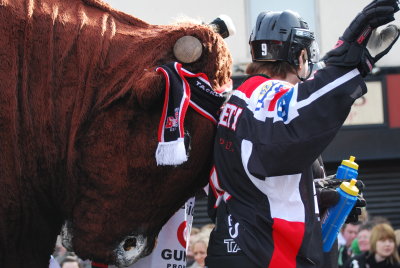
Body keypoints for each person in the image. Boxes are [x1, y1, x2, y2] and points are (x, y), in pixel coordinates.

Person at [205, 1, 400, 268]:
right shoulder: (266, 93)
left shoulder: (242, 97)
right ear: (299, 56)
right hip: (261, 251)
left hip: (242, 242)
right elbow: (305, 116)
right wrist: (353, 62)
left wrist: (318, 192)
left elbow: (261, 175)